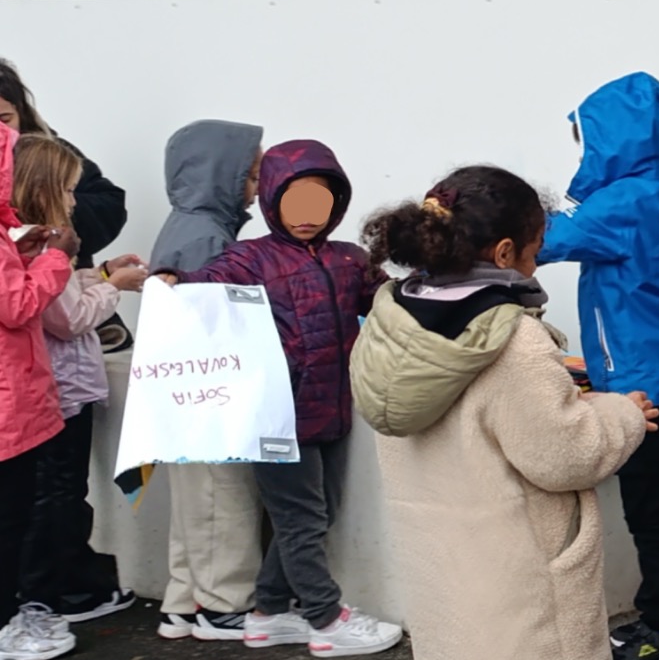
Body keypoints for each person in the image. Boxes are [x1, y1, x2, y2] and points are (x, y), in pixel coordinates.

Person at [352, 166, 656, 660]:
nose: (536, 265)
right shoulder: (511, 342)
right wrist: (623, 415)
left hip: (443, 575)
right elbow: (565, 456)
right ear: (504, 253)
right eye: (536, 250)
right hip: (520, 583)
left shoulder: (389, 327)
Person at [158, 140, 402, 657]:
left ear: (337, 201)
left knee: (321, 513)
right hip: (272, 417)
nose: (308, 215)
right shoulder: (248, 258)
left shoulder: (349, 260)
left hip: (332, 410)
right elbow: (202, 290)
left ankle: (269, 611)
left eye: (320, 201)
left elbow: (386, 302)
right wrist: (170, 282)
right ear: (270, 200)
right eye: (294, 202)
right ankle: (325, 616)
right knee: (300, 519)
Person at [542, 73, 659, 660]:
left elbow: (538, 242)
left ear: (609, 141)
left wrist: (579, 188)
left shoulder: (617, 204)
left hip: (642, 385)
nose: (583, 151)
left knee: (653, 515)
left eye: (586, 140)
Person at [10, 135, 146, 625]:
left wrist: (99, 273)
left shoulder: (32, 245)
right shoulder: (43, 245)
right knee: (59, 493)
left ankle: (48, 592)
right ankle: (52, 595)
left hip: (57, 388)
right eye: (68, 190)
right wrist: (112, 288)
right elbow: (65, 317)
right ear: (45, 189)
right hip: (61, 390)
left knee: (53, 492)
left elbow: (61, 291)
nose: (74, 200)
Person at [149, 119, 267, 641]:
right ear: (223, 173)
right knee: (223, 498)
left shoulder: (188, 224)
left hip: (180, 397)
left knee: (193, 504)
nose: (259, 183)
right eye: (252, 172)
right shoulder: (207, 235)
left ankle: (183, 599)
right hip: (208, 396)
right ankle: (225, 605)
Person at [0, 123, 80, 660]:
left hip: (15, 405)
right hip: (7, 410)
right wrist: (55, 259)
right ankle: (7, 624)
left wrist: (25, 252)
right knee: (9, 521)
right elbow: (15, 307)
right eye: (69, 189)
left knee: (16, 516)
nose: (73, 199)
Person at [0, 61, 132, 352]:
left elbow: (110, 203)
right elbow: (24, 306)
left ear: (22, 112)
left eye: (4, 119)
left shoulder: (49, 156)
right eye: (67, 192)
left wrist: (51, 223)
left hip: (64, 325)